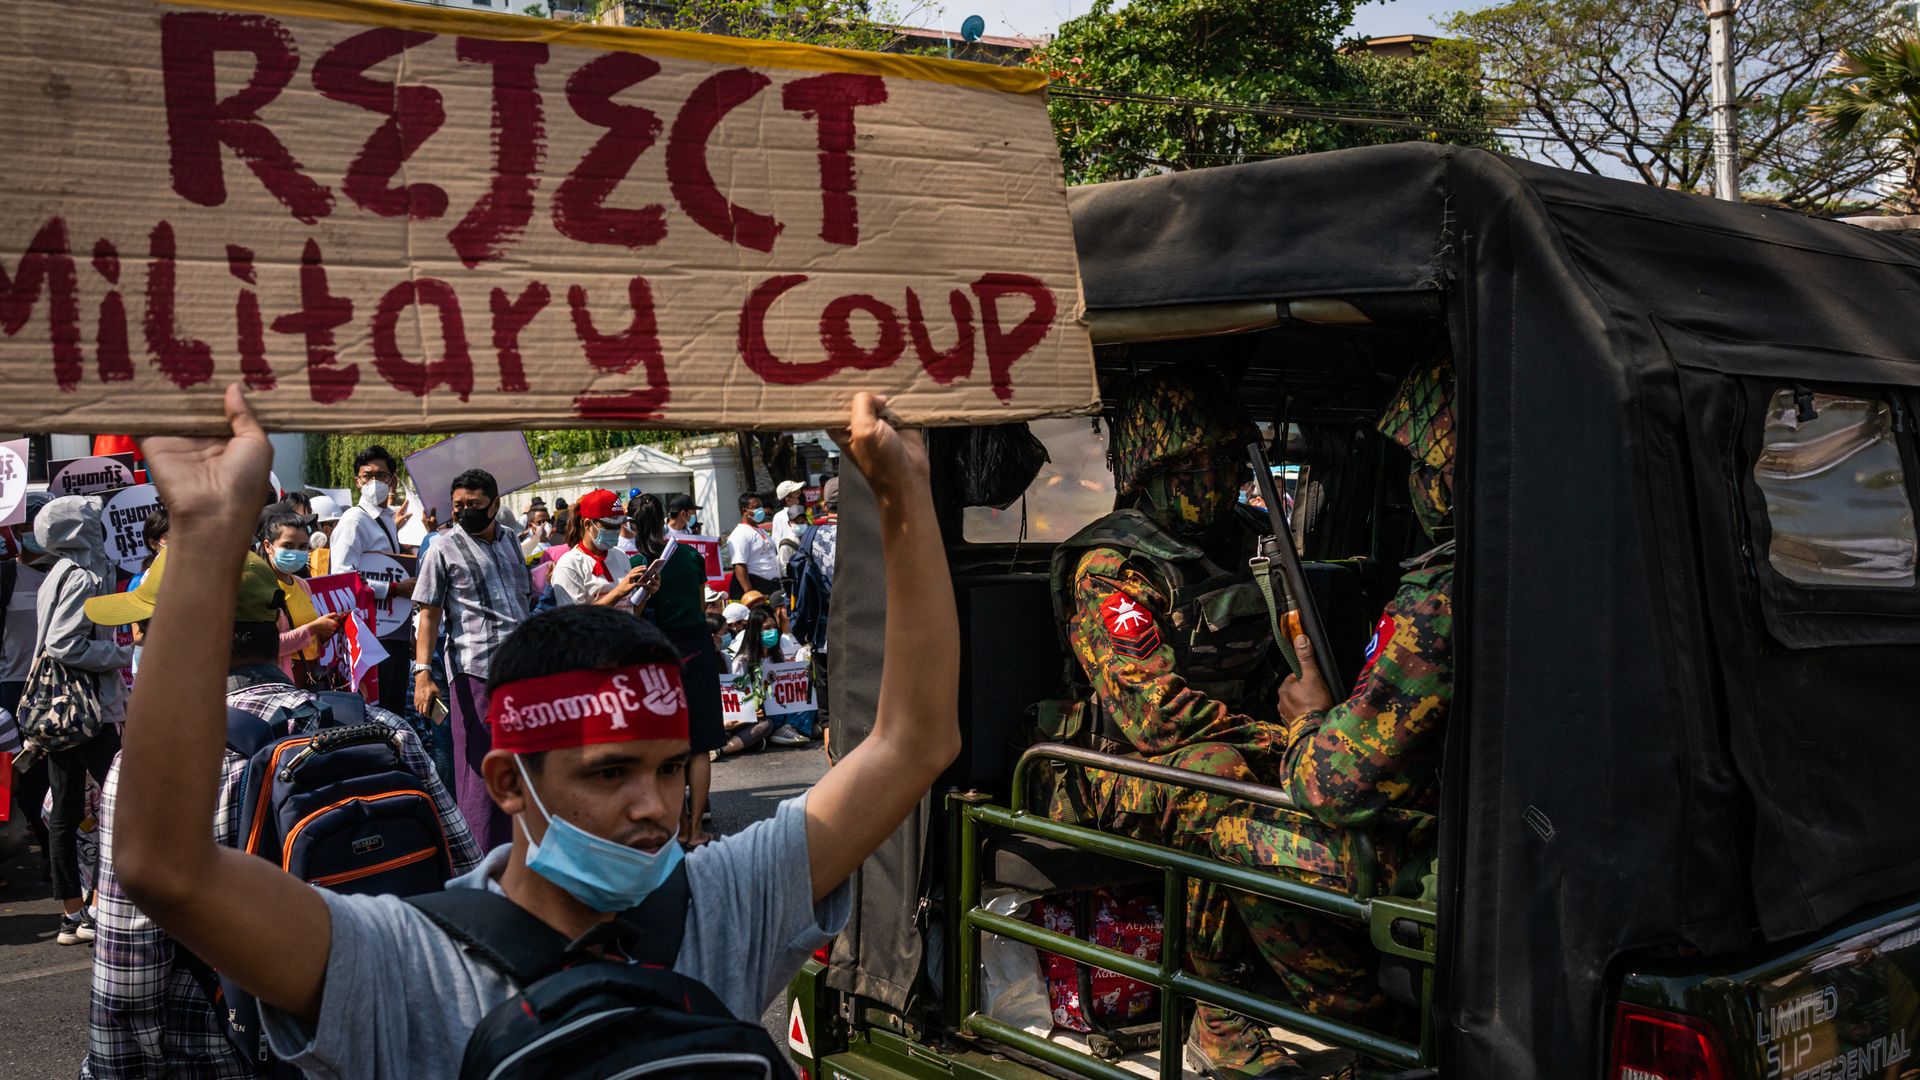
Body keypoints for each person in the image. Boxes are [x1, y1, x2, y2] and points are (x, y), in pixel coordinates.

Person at [108, 385, 958, 1080]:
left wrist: (905, 494)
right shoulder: (404, 965)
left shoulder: (719, 904)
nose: (655, 808)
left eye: (669, 770)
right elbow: (165, 868)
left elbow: (913, 743)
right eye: (608, 773)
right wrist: (208, 534)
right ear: (508, 782)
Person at [77, 547, 482, 1080]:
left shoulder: (158, 762)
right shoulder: (381, 727)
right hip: (377, 1034)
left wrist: (113, 1070)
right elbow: (466, 874)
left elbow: (130, 973)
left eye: (146, 629)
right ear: (275, 624)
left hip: (226, 1052)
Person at [1047, 367, 1325, 1079]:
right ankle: (1219, 1010)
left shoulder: (1253, 541)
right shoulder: (1112, 566)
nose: (1218, 480)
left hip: (1230, 746)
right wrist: (1284, 739)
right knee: (1218, 780)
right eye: (1195, 465)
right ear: (1152, 472)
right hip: (1110, 774)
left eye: (1226, 462)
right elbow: (1154, 719)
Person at [411, 468, 534, 850]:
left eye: (475, 505)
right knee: (481, 772)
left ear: (496, 504)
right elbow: (428, 614)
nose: (465, 512)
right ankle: (478, 862)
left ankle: (521, 855)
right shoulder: (441, 549)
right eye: (459, 505)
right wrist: (422, 673)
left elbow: (523, 599)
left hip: (523, 670)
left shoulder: (512, 540)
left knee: (523, 765)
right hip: (474, 673)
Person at [31, 495, 134, 945]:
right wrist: (121, 653)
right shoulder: (84, 577)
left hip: (57, 712)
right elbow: (63, 644)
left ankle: (74, 914)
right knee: (124, 799)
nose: (101, 526)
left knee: (67, 807)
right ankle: (104, 903)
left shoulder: (55, 573)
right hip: (87, 709)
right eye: (92, 520)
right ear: (77, 530)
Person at [630, 493, 726, 845]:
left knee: (673, 742)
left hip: (660, 651)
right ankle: (698, 830)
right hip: (697, 645)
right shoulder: (688, 555)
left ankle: (681, 825)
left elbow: (634, 614)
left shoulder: (640, 562)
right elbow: (702, 607)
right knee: (701, 745)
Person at [330, 446, 416, 712]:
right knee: (378, 711)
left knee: (394, 706)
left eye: (382, 475)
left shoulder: (387, 519)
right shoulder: (354, 520)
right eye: (368, 476)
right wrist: (394, 589)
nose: (374, 482)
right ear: (358, 481)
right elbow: (343, 578)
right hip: (370, 633)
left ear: (392, 480)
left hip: (391, 629)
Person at [3, 492, 54, 873]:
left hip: (43, 687)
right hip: (15, 688)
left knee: (44, 775)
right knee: (25, 776)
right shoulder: (14, 578)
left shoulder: (56, 579)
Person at [257, 511, 346, 687]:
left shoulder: (302, 585)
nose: (296, 552)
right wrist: (313, 628)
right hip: (282, 680)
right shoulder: (261, 588)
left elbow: (306, 636)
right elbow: (268, 645)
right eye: (288, 546)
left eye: (302, 546)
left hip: (308, 675)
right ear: (268, 546)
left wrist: (323, 633)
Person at [549, 489, 651, 609]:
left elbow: (631, 612)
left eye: (618, 525)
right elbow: (574, 620)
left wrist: (645, 593)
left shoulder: (621, 556)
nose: (615, 531)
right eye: (609, 526)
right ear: (587, 524)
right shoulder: (569, 566)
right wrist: (617, 593)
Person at [729, 607, 809, 747]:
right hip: (762, 714)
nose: (772, 631)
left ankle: (789, 728)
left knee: (808, 696)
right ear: (755, 631)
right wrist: (752, 710)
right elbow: (738, 697)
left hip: (781, 706)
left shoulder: (777, 656)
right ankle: (791, 729)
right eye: (767, 628)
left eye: (774, 627)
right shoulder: (742, 662)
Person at [726, 493, 780, 599]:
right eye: (755, 508)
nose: (760, 510)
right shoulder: (740, 534)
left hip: (773, 586)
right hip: (757, 587)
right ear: (744, 511)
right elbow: (739, 565)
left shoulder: (760, 530)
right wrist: (750, 593)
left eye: (760, 507)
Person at [769, 480, 808, 570]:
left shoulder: (802, 512)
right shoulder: (782, 516)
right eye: (797, 493)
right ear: (788, 499)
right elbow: (778, 542)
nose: (801, 495)